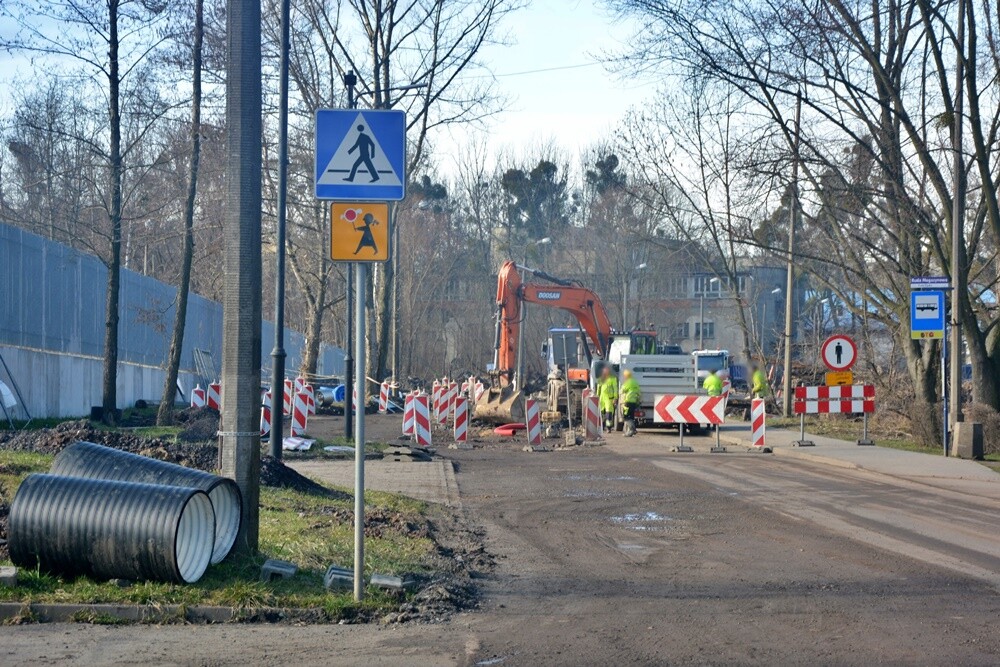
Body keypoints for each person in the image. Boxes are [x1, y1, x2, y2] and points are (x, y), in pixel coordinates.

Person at [620, 369, 642, 437]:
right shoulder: (635, 382)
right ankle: (629, 432)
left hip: (627, 402)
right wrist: (638, 401)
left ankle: (633, 429)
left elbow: (621, 391)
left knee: (626, 417)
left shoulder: (627, 382)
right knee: (631, 417)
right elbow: (639, 393)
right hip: (634, 402)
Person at [596, 366, 618, 432]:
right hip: (602, 398)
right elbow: (598, 388)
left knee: (609, 413)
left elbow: (615, 389)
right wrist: (597, 396)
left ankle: (608, 427)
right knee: (601, 412)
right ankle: (601, 426)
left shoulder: (613, 379)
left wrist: (615, 398)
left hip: (609, 398)